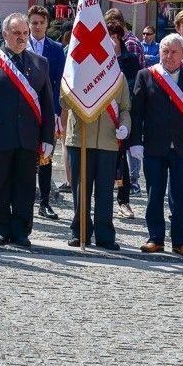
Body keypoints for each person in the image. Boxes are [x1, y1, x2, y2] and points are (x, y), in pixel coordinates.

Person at [0, 13, 55, 248]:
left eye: (25, 33)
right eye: (17, 33)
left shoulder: (40, 62)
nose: (22, 38)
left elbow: (47, 102)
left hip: (28, 136)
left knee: (25, 186)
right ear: (5, 34)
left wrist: (47, 136)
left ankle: (21, 230)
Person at [130, 33, 183, 257]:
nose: (169, 56)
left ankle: (180, 240)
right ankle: (155, 238)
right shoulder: (146, 75)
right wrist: (136, 142)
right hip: (154, 147)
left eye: (174, 52)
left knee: (181, 195)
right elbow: (137, 113)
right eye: (165, 51)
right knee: (154, 194)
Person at [63, 65, 131, 250]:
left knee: (105, 192)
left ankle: (105, 235)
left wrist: (125, 127)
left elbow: (125, 109)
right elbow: (63, 102)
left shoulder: (119, 77)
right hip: (80, 140)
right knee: (80, 190)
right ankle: (80, 232)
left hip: (108, 142)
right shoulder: (75, 72)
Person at [27, 5, 65, 220]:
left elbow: (59, 81)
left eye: (41, 23)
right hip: (25, 111)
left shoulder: (56, 48)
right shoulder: (21, 44)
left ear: (47, 24)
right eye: (34, 22)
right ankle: (25, 200)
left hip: (48, 111)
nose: (38, 26)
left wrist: (57, 111)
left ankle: (45, 202)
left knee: (46, 157)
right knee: (25, 156)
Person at [107, 22, 141, 217]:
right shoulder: (98, 58)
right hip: (102, 115)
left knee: (122, 160)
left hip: (122, 113)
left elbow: (134, 84)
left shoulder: (129, 59)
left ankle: (123, 200)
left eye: (112, 36)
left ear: (118, 38)